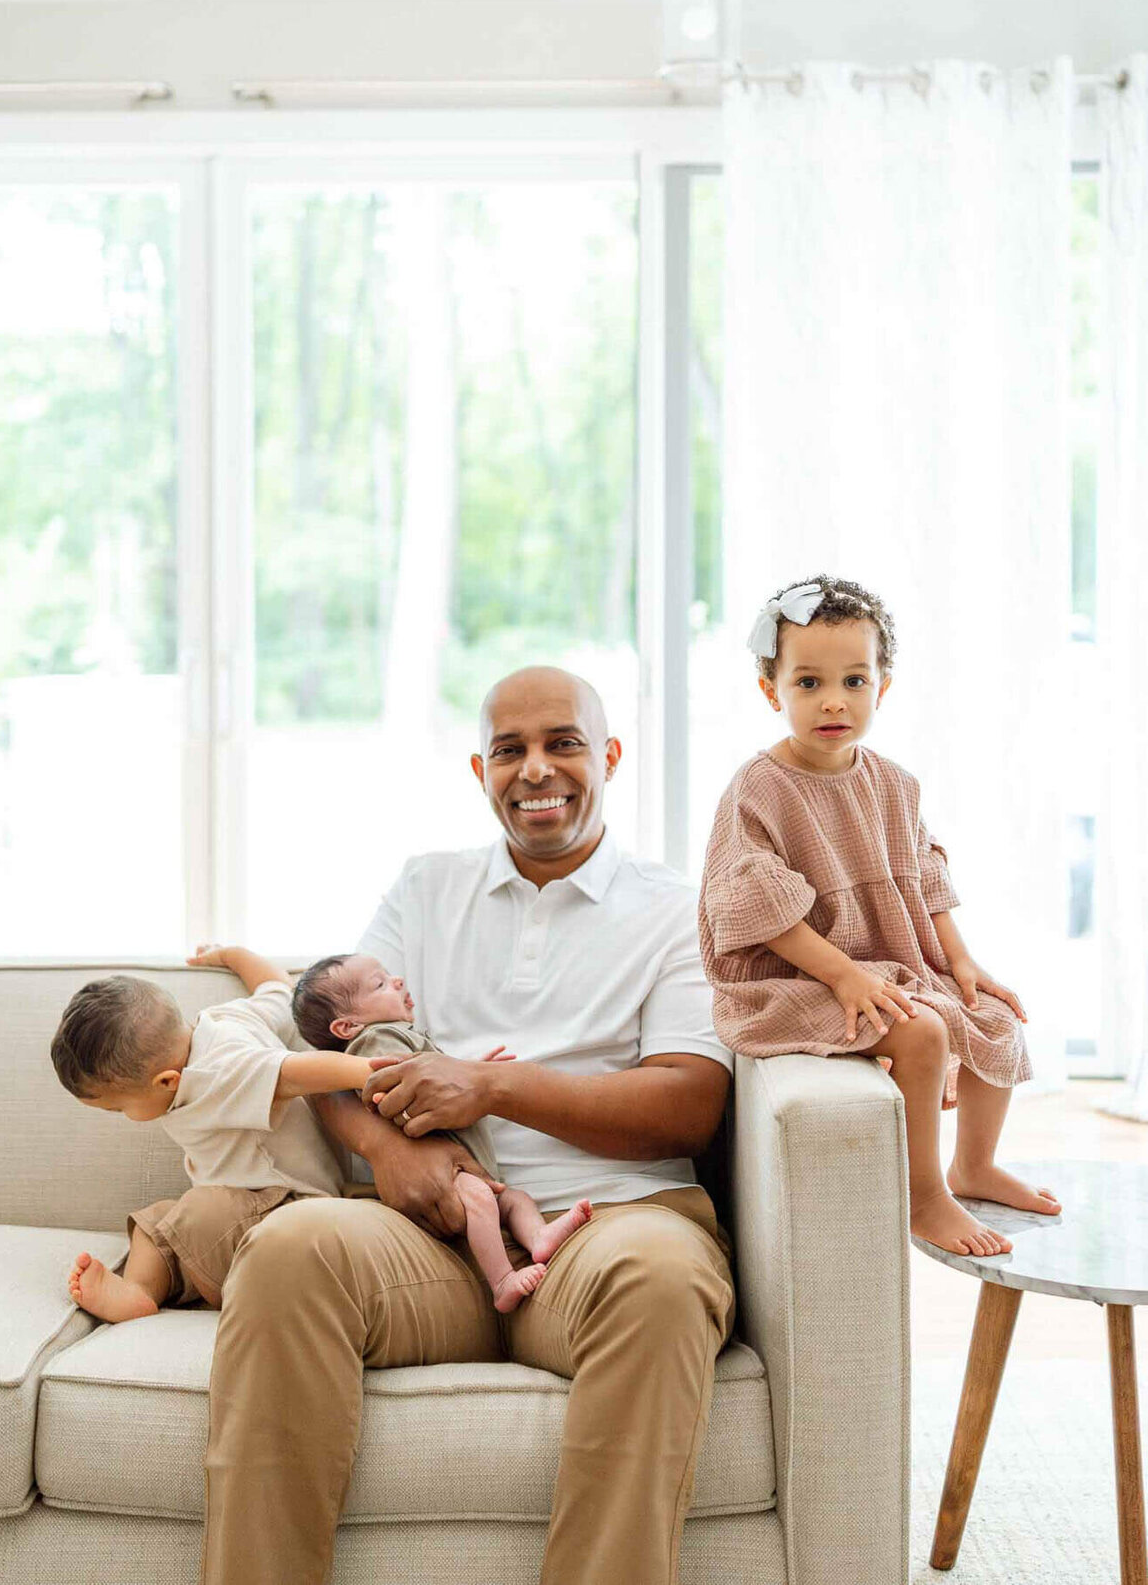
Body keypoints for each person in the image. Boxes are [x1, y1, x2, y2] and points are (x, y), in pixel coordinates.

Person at [200, 666, 735, 1585]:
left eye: (562, 743)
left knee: (662, 1278)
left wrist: (492, 1090)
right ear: (480, 768)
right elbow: (323, 1042)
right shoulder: (425, 889)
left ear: (608, 756)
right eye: (509, 750)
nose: (536, 770)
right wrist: (383, 1149)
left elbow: (687, 1102)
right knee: (290, 1248)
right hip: (426, 1242)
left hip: (606, 1233)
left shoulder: (678, 909)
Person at [698, 573, 1063, 1261]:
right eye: (808, 683)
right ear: (771, 689)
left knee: (994, 1015)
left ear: (881, 687)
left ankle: (973, 1165)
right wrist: (842, 976)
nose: (834, 700)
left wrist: (961, 964)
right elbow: (757, 906)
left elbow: (926, 878)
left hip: (883, 957)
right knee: (920, 1033)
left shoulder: (894, 783)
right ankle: (923, 1194)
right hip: (795, 976)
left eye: (854, 681)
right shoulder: (759, 789)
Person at [192, 944, 594, 1312]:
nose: (397, 980)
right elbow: (400, 1085)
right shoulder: (377, 1040)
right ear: (346, 1028)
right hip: (447, 1176)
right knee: (482, 1201)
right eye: (380, 983)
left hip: (468, 1171)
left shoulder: (401, 1037)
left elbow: (440, 1077)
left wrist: (473, 1070)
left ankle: (538, 1238)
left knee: (515, 1198)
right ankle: (502, 1279)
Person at [48, 957, 376, 1322]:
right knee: (155, 1222)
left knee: (197, 1213)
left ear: (167, 1082)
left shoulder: (220, 1072)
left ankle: (152, 1287)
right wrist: (231, 955)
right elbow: (278, 990)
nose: (122, 1118)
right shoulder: (225, 1019)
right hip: (249, 1204)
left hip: (289, 1208)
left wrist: (371, 1073)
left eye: (118, 1109)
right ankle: (140, 1291)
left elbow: (295, 1072)